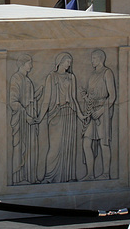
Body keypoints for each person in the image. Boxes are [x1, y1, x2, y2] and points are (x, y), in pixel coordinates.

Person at [40, 52, 85, 183]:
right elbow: (46, 99)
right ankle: (49, 177)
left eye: (70, 62)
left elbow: (73, 99)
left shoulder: (71, 77)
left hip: (69, 114)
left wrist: (81, 115)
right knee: (54, 148)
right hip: (55, 115)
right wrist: (40, 116)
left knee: (68, 148)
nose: (69, 64)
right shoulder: (51, 77)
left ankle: (66, 177)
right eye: (67, 62)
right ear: (60, 61)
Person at [80, 50, 116, 181]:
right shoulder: (93, 74)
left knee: (104, 143)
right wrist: (86, 97)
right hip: (92, 110)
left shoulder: (107, 73)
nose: (92, 60)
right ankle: (90, 174)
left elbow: (112, 97)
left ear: (101, 59)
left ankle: (106, 173)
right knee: (86, 142)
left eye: (94, 58)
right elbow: (92, 94)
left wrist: (101, 111)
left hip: (103, 112)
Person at [9, 54, 42, 184]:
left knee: (31, 149)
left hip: (30, 121)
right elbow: (13, 102)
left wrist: (36, 97)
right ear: (22, 64)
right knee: (20, 149)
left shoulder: (27, 80)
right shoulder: (16, 79)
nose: (31, 65)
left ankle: (30, 178)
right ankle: (19, 179)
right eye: (29, 63)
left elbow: (29, 100)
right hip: (21, 122)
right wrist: (26, 115)